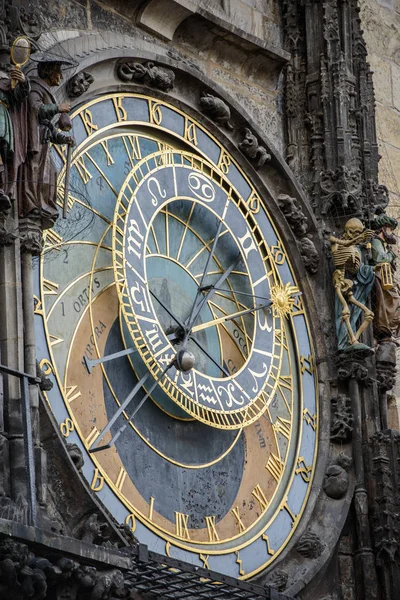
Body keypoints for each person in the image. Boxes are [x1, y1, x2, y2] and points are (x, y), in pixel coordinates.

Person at [17, 60, 75, 229]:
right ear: (50, 72)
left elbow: (48, 126)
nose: (61, 76)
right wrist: (57, 108)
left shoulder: (45, 90)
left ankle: (43, 206)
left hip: (44, 136)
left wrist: (64, 138)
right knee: (34, 170)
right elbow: (35, 109)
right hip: (34, 137)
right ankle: (31, 205)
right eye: (58, 72)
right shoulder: (35, 87)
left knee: (51, 173)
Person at [330, 218, 375, 351]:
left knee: (369, 314)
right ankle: (349, 342)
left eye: (359, 232)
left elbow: (359, 269)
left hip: (352, 283)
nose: (356, 235)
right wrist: (361, 237)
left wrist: (372, 269)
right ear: (347, 231)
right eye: (354, 232)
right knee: (345, 311)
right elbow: (345, 242)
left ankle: (354, 339)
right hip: (341, 281)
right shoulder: (335, 241)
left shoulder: (357, 249)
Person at [0, 66, 30, 209]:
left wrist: (23, 82)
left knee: (3, 153)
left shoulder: (7, 83)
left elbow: (19, 96)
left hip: (2, 118)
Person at [370, 214, 400, 343]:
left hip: (385, 278)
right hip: (380, 278)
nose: (392, 233)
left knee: (395, 300)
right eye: (390, 229)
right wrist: (392, 254)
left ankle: (389, 329)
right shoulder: (376, 241)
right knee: (394, 300)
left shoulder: (382, 244)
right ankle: (386, 329)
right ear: (383, 228)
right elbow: (379, 259)